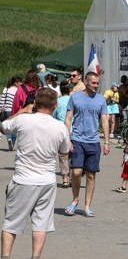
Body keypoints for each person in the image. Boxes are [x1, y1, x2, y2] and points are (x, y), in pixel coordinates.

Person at [0, 88, 70, 259]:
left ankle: (6, 256)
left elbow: (3, 127)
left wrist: (21, 111)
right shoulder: (60, 127)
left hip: (23, 179)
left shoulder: (23, 120)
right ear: (55, 105)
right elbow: (64, 151)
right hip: (46, 180)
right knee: (41, 224)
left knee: (11, 223)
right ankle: (35, 257)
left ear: (36, 103)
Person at [64, 72, 110, 218]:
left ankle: (87, 206)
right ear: (86, 82)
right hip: (77, 139)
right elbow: (68, 119)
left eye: (97, 83)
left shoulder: (101, 100)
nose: (96, 86)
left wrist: (107, 142)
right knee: (76, 172)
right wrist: (67, 139)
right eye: (93, 83)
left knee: (91, 175)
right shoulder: (75, 98)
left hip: (93, 141)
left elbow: (104, 121)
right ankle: (75, 199)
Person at [52, 81, 72, 188]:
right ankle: (73, 177)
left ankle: (65, 179)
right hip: (74, 130)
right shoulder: (74, 101)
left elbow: (54, 115)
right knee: (73, 156)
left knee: (63, 155)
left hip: (61, 130)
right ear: (69, 90)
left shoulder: (57, 102)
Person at [0, 76, 22, 151]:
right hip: (14, 111)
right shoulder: (18, 90)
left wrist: (1, 108)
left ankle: (9, 139)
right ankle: (12, 142)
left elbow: (3, 99)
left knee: (7, 126)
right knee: (15, 127)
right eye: (19, 82)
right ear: (15, 83)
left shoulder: (6, 89)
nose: (20, 83)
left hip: (6, 110)